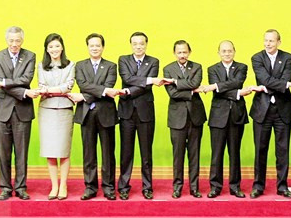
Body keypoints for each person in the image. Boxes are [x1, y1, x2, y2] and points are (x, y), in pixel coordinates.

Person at [250, 29, 291, 199]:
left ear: (279, 42)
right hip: (262, 110)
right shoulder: (257, 58)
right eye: (265, 40)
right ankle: (258, 186)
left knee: (282, 150)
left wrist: (283, 83)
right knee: (260, 149)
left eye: (271, 41)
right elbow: (265, 80)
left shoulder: (287, 57)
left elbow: (284, 77)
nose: (268, 44)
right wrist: (286, 85)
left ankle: (282, 186)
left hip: (283, 110)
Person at [0, 26, 38, 201]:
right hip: (3, 111)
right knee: (3, 153)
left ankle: (21, 187)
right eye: (11, 40)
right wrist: (23, 92)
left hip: (23, 111)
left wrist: (4, 83)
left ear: (22, 40)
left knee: (21, 152)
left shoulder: (30, 56)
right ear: (6, 40)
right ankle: (5, 187)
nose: (14, 44)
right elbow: (3, 83)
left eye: (18, 40)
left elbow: (26, 79)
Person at [70, 33, 121, 200]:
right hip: (86, 114)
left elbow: (108, 86)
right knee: (89, 153)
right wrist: (102, 91)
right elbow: (83, 84)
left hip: (106, 114)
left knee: (108, 153)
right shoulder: (80, 65)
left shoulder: (111, 66)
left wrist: (85, 96)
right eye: (91, 45)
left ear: (103, 47)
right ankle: (90, 187)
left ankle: (108, 187)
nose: (94, 48)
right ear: (87, 47)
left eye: (98, 45)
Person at [201, 40, 253, 198]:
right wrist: (237, 93)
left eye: (230, 51)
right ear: (218, 53)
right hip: (218, 117)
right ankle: (215, 186)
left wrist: (216, 86)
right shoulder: (212, 69)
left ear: (234, 51)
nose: (227, 53)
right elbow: (221, 92)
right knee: (216, 153)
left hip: (237, 115)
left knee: (234, 153)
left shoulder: (242, 67)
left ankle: (235, 186)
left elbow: (237, 82)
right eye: (223, 51)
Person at [117, 31, 164, 200]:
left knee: (146, 153)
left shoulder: (154, 61)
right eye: (135, 43)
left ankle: (147, 186)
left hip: (145, 113)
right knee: (126, 152)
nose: (138, 46)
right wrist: (149, 80)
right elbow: (127, 78)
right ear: (131, 45)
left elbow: (144, 86)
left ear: (146, 44)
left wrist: (130, 90)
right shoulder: (123, 60)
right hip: (126, 112)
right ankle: (123, 186)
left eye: (141, 43)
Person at [163, 40, 207, 198]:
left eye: (184, 52)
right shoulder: (168, 69)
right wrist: (192, 91)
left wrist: (176, 82)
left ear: (189, 52)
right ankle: (177, 186)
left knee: (194, 154)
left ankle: (194, 187)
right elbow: (173, 93)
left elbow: (195, 82)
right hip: (177, 118)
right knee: (178, 154)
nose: (182, 55)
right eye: (179, 52)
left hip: (195, 117)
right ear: (174, 53)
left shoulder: (197, 67)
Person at [35, 33, 76, 200]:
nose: (54, 49)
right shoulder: (41, 66)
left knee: (64, 150)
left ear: (62, 47)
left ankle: (64, 184)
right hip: (46, 110)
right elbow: (41, 85)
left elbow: (68, 86)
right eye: (51, 47)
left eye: (57, 46)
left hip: (65, 109)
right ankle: (54, 186)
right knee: (50, 150)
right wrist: (53, 90)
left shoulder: (71, 65)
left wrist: (49, 91)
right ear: (46, 49)